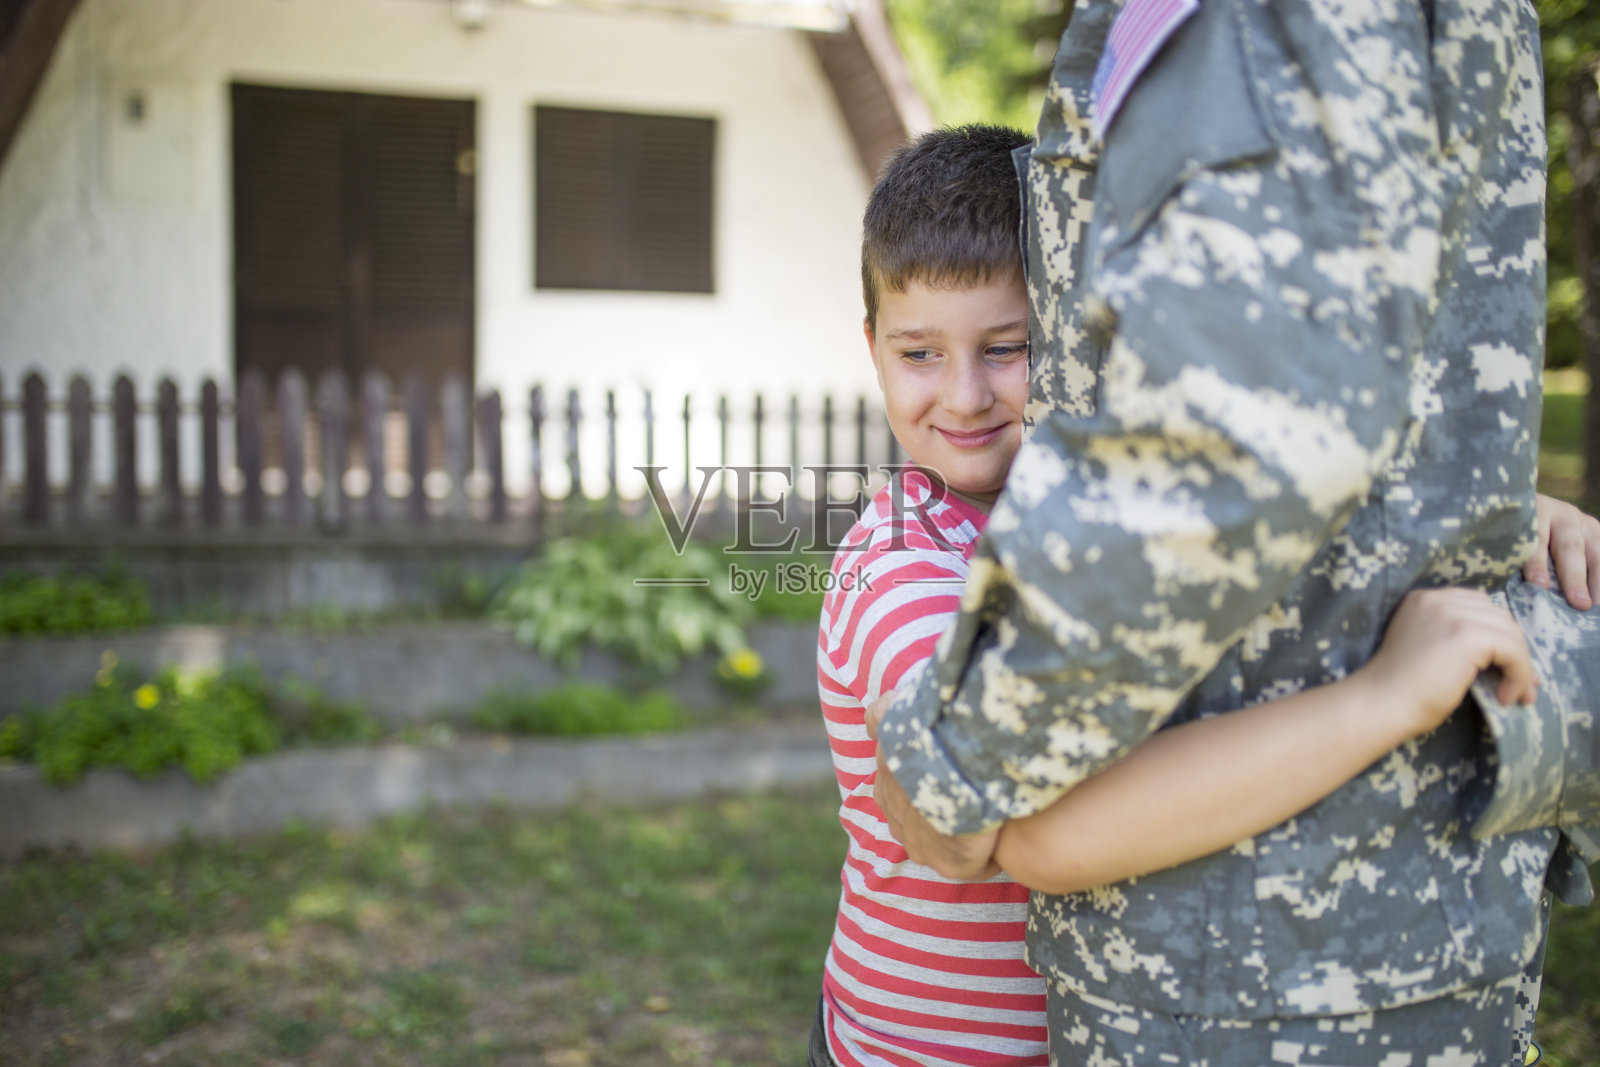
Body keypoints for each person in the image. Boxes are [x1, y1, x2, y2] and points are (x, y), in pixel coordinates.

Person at [869, 2, 1600, 1064]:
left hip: (1256, 970)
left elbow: (1237, 421)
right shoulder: (900, 559)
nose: (969, 391)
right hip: (1335, 941)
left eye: (1006, 346)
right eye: (920, 353)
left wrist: (954, 764)